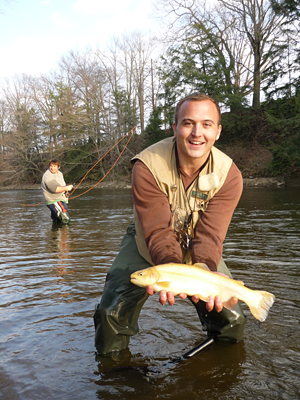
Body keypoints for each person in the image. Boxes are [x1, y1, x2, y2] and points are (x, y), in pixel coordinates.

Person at [93, 93, 247, 355]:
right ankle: (115, 375)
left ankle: (219, 367)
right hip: (147, 242)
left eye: (206, 124)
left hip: (200, 245)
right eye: (188, 123)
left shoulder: (229, 176)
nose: (197, 133)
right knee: (111, 314)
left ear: (218, 132)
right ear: (175, 128)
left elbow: (210, 234)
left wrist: (207, 271)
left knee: (232, 320)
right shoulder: (146, 165)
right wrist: (168, 271)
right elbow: (157, 230)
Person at [41, 159, 73, 224]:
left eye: (54, 166)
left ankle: (55, 233)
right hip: (54, 200)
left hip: (61, 199)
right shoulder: (48, 176)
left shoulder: (59, 173)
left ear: (58, 167)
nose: (52, 168)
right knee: (65, 215)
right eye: (51, 166)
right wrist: (66, 188)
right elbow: (54, 189)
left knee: (57, 219)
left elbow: (61, 185)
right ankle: (66, 233)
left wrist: (66, 190)